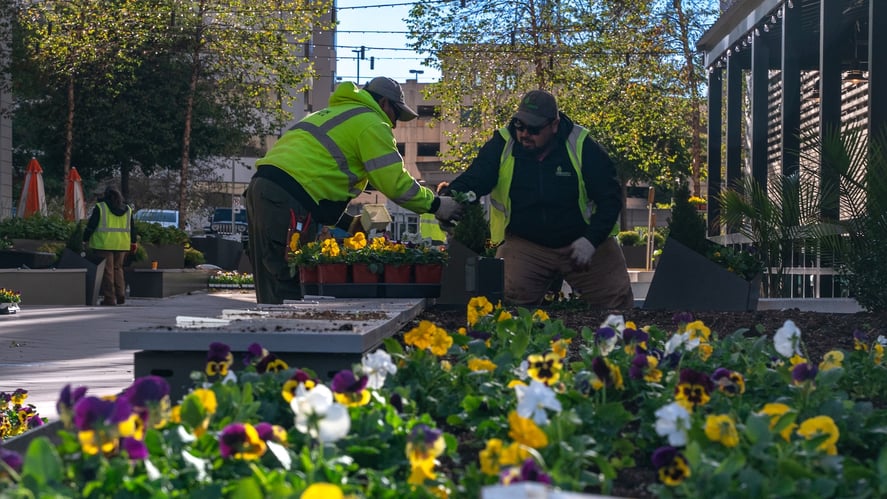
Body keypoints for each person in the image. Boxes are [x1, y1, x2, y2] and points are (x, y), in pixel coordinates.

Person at [246, 76, 462, 304]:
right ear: (384, 104)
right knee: (290, 281)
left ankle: (268, 337)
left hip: (263, 189)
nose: (395, 124)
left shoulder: (331, 115)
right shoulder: (372, 123)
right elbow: (394, 182)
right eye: (396, 115)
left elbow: (317, 179)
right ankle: (288, 337)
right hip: (286, 199)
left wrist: (347, 222)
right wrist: (437, 205)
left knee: (270, 280)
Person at [444, 89, 633, 308]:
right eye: (519, 125)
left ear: (554, 125)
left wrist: (591, 240)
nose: (524, 134)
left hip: (583, 242)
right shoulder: (503, 144)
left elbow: (610, 199)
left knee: (616, 302)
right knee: (507, 303)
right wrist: (451, 198)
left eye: (533, 129)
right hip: (526, 245)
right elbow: (474, 179)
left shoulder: (583, 146)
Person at [83, 186, 137, 306]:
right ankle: (121, 295)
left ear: (106, 195)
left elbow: (91, 226)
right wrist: (133, 242)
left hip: (104, 244)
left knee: (108, 272)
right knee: (118, 269)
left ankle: (109, 298)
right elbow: (133, 228)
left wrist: (85, 239)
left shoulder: (100, 207)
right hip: (122, 244)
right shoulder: (127, 209)